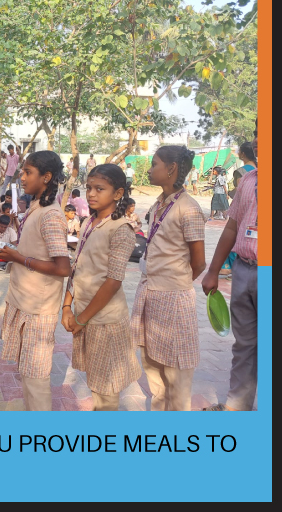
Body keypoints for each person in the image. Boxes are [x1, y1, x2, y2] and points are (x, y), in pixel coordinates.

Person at [0, 151, 71, 411]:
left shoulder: (51, 215)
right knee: (27, 373)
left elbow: (63, 267)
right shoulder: (37, 208)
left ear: (46, 177)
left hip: (38, 307)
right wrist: (13, 252)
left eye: (28, 172)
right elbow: (35, 249)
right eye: (22, 172)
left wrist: (18, 257)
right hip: (25, 300)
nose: (22, 177)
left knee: (36, 378)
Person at [131, 145, 207, 411]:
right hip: (150, 293)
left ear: (171, 168)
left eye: (154, 164)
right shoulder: (158, 204)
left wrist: (176, 282)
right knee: (152, 365)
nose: (150, 170)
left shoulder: (189, 208)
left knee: (176, 371)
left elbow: (199, 263)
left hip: (173, 298)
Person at [61, 164, 140, 411]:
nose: (91, 194)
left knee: (106, 391)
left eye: (99, 189)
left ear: (118, 193)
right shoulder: (88, 222)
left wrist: (81, 318)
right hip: (85, 314)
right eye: (89, 188)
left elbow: (113, 281)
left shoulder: (121, 229)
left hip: (104, 320)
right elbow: (77, 266)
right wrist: (66, 306)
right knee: (96, 383)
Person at [202, 127, 258, 412]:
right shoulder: (248, 180)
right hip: (245, 270)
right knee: (245, 344)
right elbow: (232, 227)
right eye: (258, 132)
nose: (258, 140)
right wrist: (213, 270)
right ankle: (238, 409)